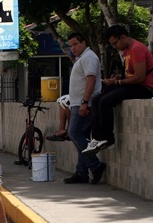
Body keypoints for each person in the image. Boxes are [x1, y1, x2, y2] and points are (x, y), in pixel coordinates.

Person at [82, 24, 153, 155]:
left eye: (115, 43)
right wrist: (116, 79)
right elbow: (131, 74)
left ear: (123, 37)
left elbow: (140, 77)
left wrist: (117, 82)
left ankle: (107, 138)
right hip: (133, 85)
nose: (115, 47)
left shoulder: (137, 49)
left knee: (105, 102)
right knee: (96, 100)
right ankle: (96, 137)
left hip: (144, 88)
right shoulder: (128, 51)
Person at [63, 32, 106, 184]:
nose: (73, 48)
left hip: (84, 103)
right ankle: (81, 172)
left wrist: (84, 102)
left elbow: (91, 79)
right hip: (77, 102)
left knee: (74, 133)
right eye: (71, 46)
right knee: (80, 136)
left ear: (83, 43)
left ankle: (95, 165)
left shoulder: (89, 57)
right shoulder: (82, 58)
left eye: (75, 44)